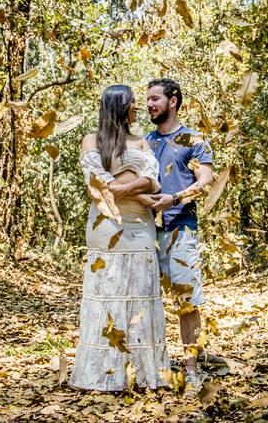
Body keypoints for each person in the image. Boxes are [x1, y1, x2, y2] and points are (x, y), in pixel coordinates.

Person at [71, 85, 170, 392]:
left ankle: (143, 373)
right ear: (119, 106)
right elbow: (99, 183)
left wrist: (127, 187)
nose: (137, 108)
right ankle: (105, 373)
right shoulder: (92, 140)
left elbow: (152, 180)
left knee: (140, 289)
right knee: (108, 291)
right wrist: (135, 192)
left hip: (141, 227)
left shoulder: (141, 142)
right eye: (133, 103)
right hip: (106, 224)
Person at [145, 78, 225, 397]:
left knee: (186, 303)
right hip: (146, 234)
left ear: (173, 101)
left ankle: (192, 370)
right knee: (146, 301)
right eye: (147, 99)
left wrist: (174, 198)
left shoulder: (193, 140)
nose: (149, 104)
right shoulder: (145, 142)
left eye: (155, 99)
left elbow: (205, 181)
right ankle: (154, 368)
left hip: (181, 229)